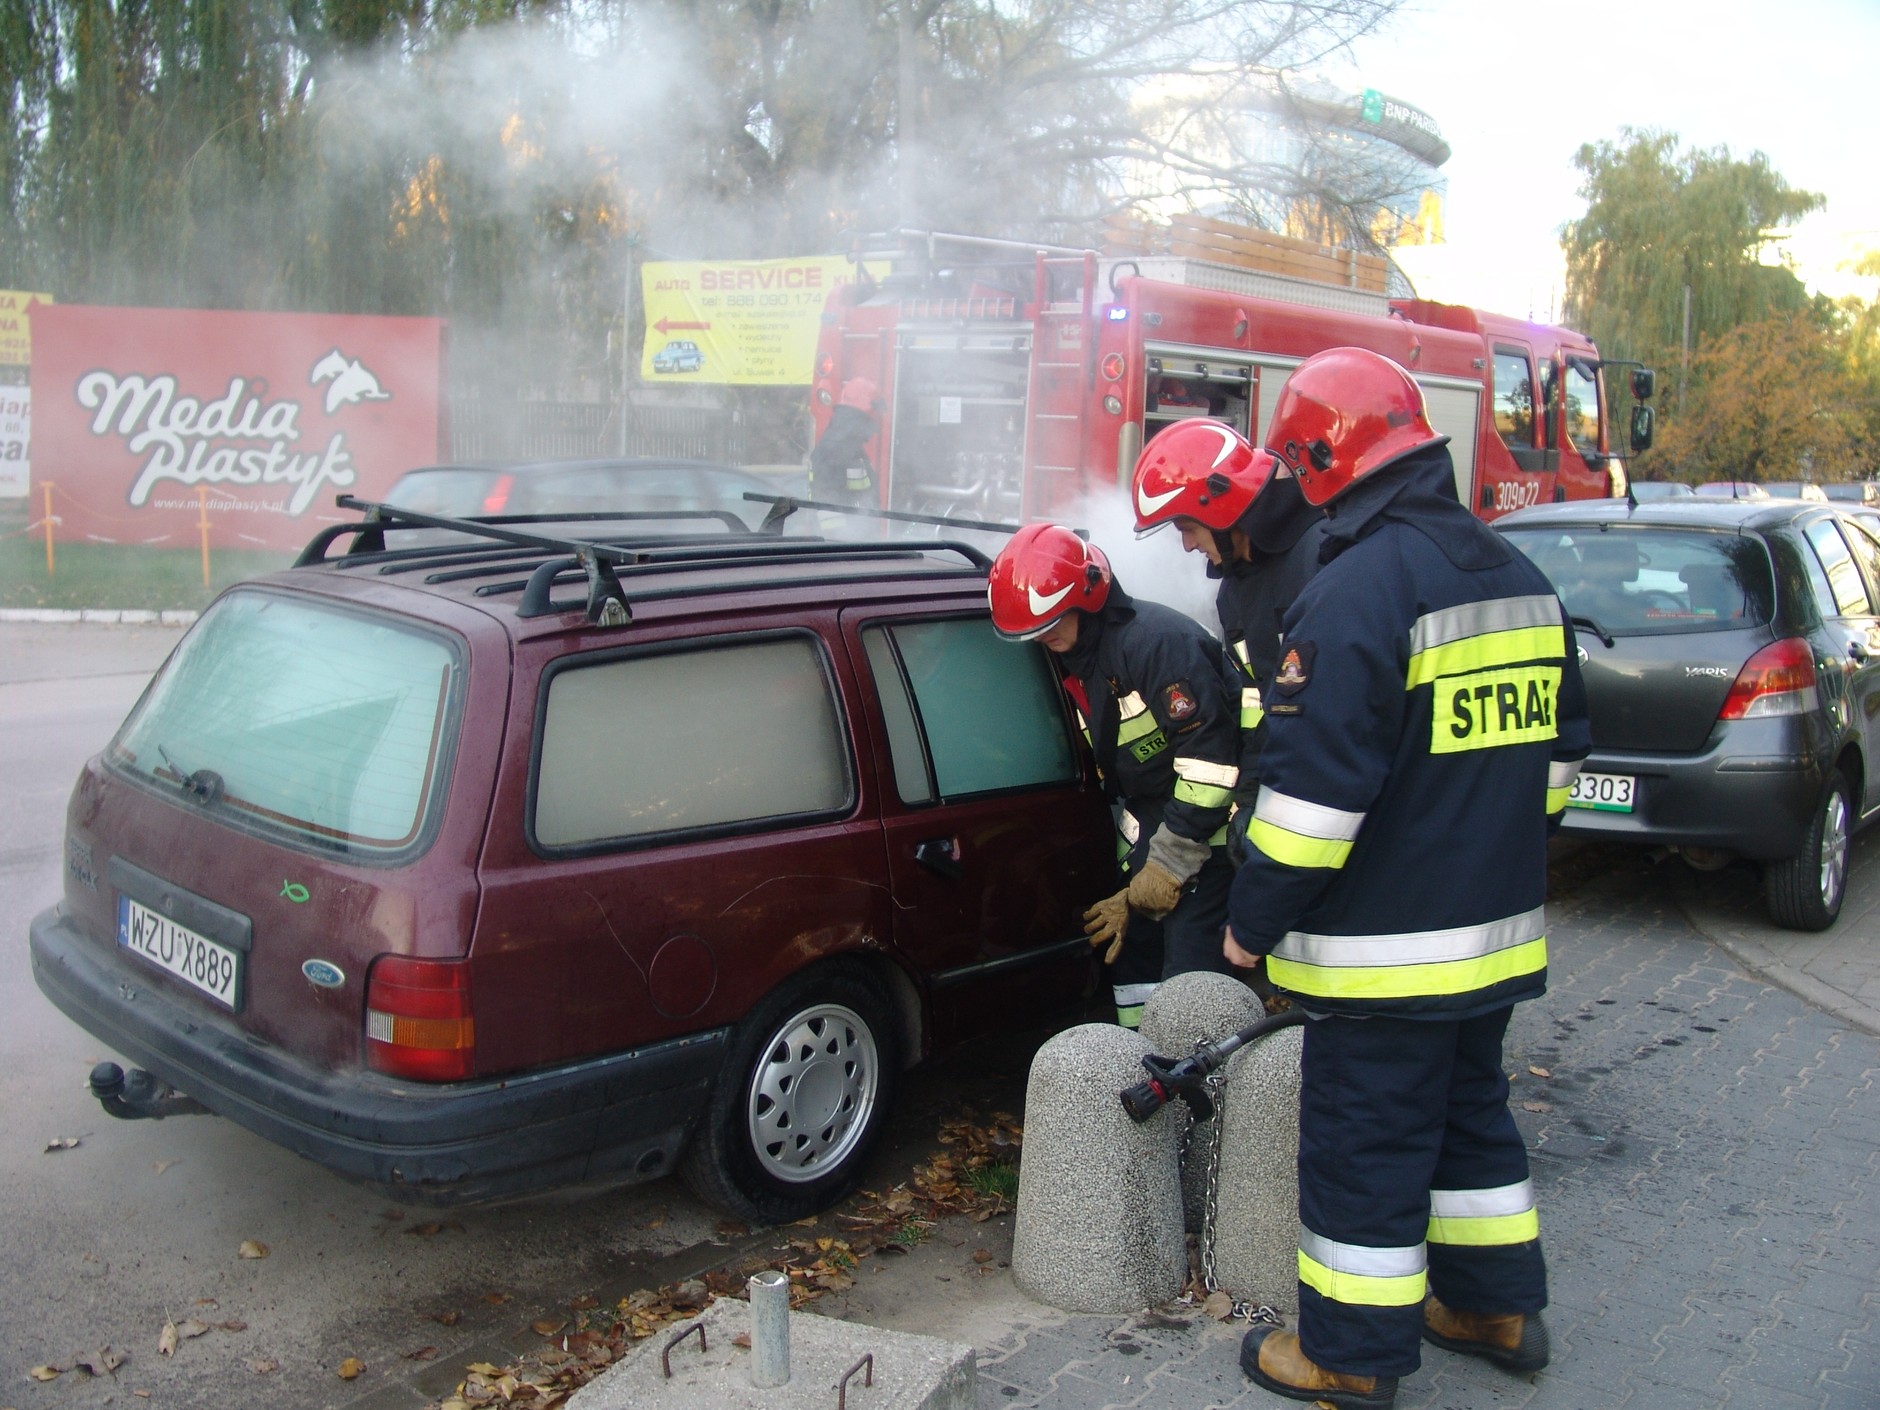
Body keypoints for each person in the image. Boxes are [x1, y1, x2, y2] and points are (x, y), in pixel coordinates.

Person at [1222, 348, 1590, 1409]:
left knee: (1364, 1146)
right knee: (1472, 1120)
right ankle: (1495, 1309)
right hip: (1494, 936)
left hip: (1383, 957)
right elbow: (1560, 764)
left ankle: (1347, 1355)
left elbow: (1310, 807)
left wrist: (1249, 925)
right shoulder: (1519, 579)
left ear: (1318, 463)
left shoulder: (1352, 594)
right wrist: (1485, 845)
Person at [987, 523, 1240, 1029]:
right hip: (1151, 834)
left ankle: (1198, 1073)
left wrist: (1169, 862)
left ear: (1087, 597)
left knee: (1191, 987)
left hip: (1208, 841)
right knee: (1133, 967)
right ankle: (1139, 1063)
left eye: (1052, 622)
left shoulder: (1158, 644)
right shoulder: (1075, 659)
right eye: (1033, 631)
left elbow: (1211, 761)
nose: (1043, 638)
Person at [1130, 419, 1327, 866]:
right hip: (1289, 801)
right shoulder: (1235, 595)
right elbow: (1258, 707)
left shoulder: (1320, 559)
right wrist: (1251, 798)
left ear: (1221, 507)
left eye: (1187, 527)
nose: (1186, 546)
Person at [807, 378, 880, 514]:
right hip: (839, 526)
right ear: (863, 415)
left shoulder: (850, 446)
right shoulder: (835, 450)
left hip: (855, 524)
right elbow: (827, 504)